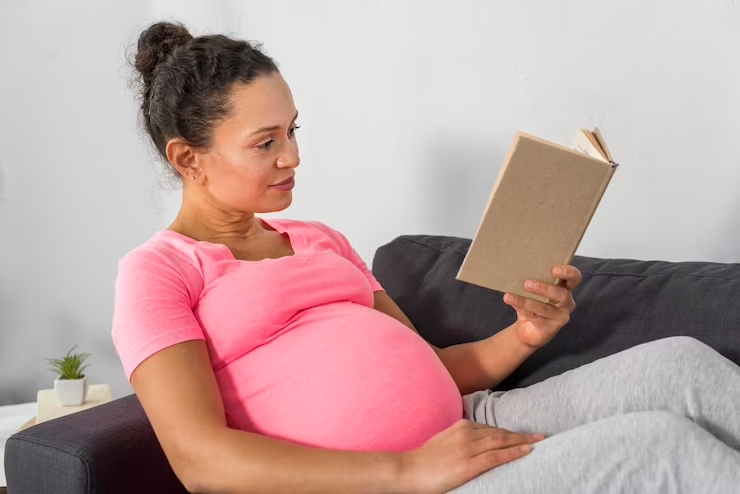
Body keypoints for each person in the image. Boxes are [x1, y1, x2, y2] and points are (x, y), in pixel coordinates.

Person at [112, 21, 740, 494]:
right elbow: (199, 459)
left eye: (293, 130)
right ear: (188, 159)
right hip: (397, 481)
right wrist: (408, 469)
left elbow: (435, 369)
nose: (292, 156)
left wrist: (525, 334)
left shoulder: (318, 239)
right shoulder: (159, 273)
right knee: (661, 447)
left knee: (679, 365)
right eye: (265, 142)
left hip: (463, 425)